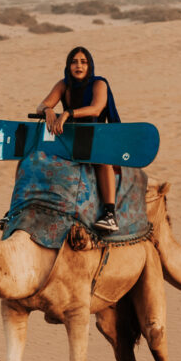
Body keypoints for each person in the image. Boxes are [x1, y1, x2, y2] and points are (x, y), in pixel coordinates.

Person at [35, 46, 121, 233]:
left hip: (95, 136)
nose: (78, 66)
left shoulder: (99, 84)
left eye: (83, 62)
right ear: (68, 66)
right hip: (70, 138)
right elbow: (41, 106)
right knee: (36, 159)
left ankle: (110, 214)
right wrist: (48, 110)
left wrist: (68, 113)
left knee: (102, 160)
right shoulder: (63, 85)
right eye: (74, 62)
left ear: (90, 65)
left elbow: (96, 109)